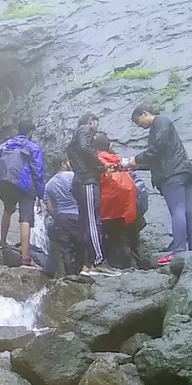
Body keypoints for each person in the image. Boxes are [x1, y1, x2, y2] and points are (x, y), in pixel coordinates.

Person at [126, 105, 192, 266]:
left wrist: (136, 159)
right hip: (182, 171)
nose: (141, 126)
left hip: (171, 175)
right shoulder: (164, 124)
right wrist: (137, 165)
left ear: (145, 113)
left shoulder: (160, 122)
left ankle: (179, 252)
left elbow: (157, 147)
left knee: (178, 211)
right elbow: (159, 157)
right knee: (187, 212)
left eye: (139, 122)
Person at [66, 113, 122, 277]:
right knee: (93, 222)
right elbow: (85, 148)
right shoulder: (84, 130)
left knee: (85, 224)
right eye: (96, 124)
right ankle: (98, 261)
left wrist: (101, 166)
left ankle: (87, 264)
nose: (97, 128)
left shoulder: (75, 139)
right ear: (91, 122)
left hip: (81, 181)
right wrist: (102, 166)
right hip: (87, 181)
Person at [0, 119, 45, 268]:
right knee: (25, 219)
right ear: (30, 132)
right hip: (22, 184)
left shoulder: (5, 145)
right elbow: (38, 171)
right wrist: (41, 195)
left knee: (8, 209)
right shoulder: (32, 147)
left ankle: (2, 242)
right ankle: (26, 258)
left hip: (3, 181)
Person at [95, 149, 137, 269]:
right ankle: (126, 264)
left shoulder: (98, 162)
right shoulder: (118, 163)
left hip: (106, 209)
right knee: (121, 237)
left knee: (109, 239)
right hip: (123, 210)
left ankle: (112, 265)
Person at [44, 157, 84, 276]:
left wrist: (57, 218)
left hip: (62, 218)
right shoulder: (73, 176)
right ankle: (81, 271)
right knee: (81, 244)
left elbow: (50, 208)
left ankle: (69, 276)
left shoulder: (49, 184)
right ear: (63, 164)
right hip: (78, 215)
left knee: (65, 248)